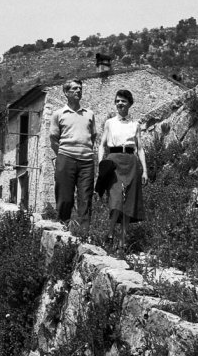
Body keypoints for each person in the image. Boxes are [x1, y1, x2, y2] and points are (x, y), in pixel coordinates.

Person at [97, 89, 148, 251]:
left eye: (123, 101)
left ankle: (123, 241)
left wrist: (145, 170)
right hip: (114, 162)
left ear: (130, 104)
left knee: (129, 202)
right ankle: (110, 234)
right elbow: (101, 145)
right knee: (116, 200)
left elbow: (140, 149)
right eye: (117, 100)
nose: (120, 103)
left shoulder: (135, 125)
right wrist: (101, 164)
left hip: (131, 162)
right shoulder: (110, 123)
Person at [49, 79, 97, 232]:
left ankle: (84, 233)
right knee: (65, 197)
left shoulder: (89, 114)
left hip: (87, 161)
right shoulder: (58, 114)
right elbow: (54, 140)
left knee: (85, 197)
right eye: (75, 89)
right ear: (66, 92)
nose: (78, 91)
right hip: (66, 159)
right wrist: (64, 155)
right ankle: (62, 230)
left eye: (80, 89)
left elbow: (93, 136)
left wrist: (84, 151)